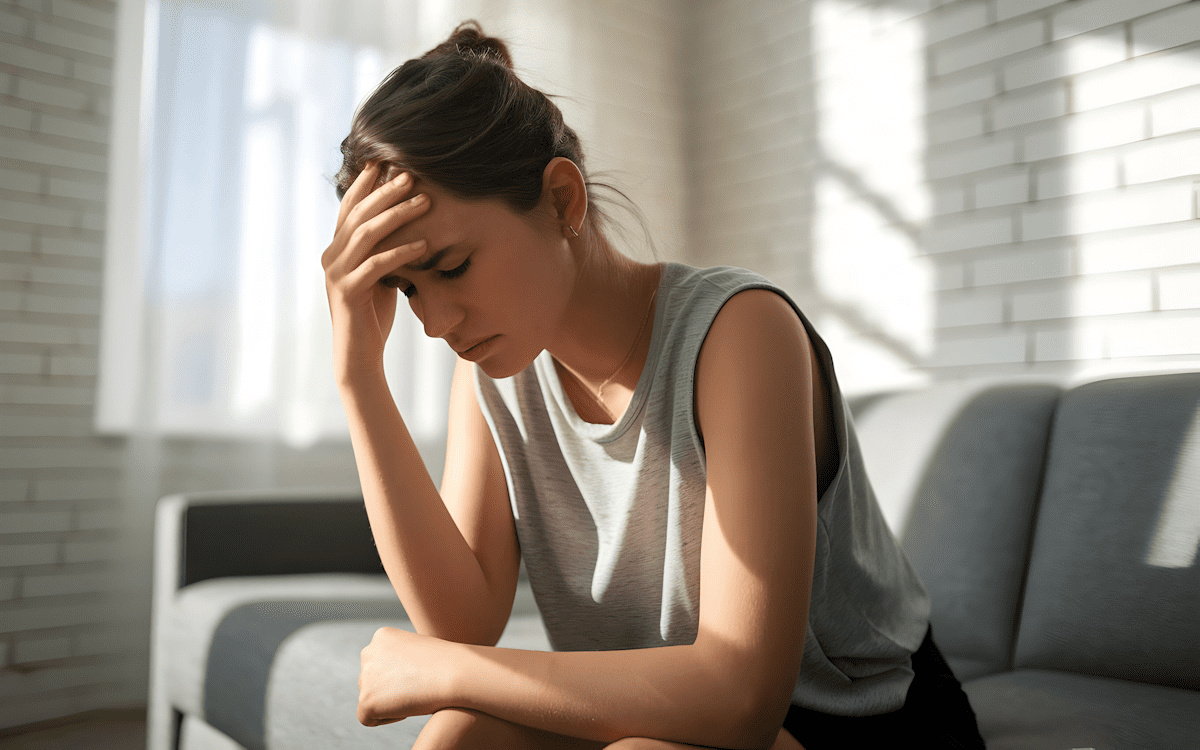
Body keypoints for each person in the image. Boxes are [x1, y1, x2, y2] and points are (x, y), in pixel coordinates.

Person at [321, 20, 985, 750]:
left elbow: (741, 699)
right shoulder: (492, 374)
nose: (436, 320)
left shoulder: (740, 332)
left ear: (563, 202)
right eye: (407, 290)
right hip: (665, 712)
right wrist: (358, 378)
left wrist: (453, 672)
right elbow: (460, 623)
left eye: (451, 268)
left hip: (858, 719)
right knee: (458, 738)